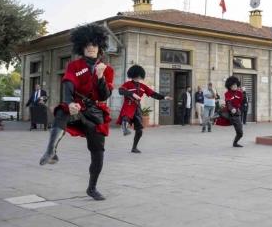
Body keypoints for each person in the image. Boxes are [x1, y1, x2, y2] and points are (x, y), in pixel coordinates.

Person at [38, 24, 114, 201]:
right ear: (81, 47)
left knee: (98, 153)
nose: (90, 48)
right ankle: (51, 151)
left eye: (94, 45)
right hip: (78, 108)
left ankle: (92, 188)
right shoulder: (74, 66)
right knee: (62, 112)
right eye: (87, 45)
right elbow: (68, 84)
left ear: (99, 47)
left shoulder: (107, 69)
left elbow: (105, 95)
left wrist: (101, 77)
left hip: (96, 112)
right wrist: (70, 102)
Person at [117, 65, 172, 152]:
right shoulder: (127, 84)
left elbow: (153, 94)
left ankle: (134, 147)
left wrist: (164, 97)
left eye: (139, 75)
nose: (138, 77)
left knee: (139, 130)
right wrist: (132, 94)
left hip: (137, 106)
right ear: (133, 75)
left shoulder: (143, 86)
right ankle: (125, 129)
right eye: (137, 75)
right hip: (129, 104)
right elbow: (120, 91)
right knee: (126, 116)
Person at [216, 76, 245, 147]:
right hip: (229, 112)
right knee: (222, 113)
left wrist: (235, 108)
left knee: (240, 133)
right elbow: (228, 101)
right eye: (233, 84)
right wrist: (231, 109)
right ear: (229, 86)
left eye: (236, 84)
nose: (235, 86)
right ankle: (213, 118)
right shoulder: (227, 93)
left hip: (236, 114)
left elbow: (239, 103)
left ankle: (235, 143)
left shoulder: (239, 93)